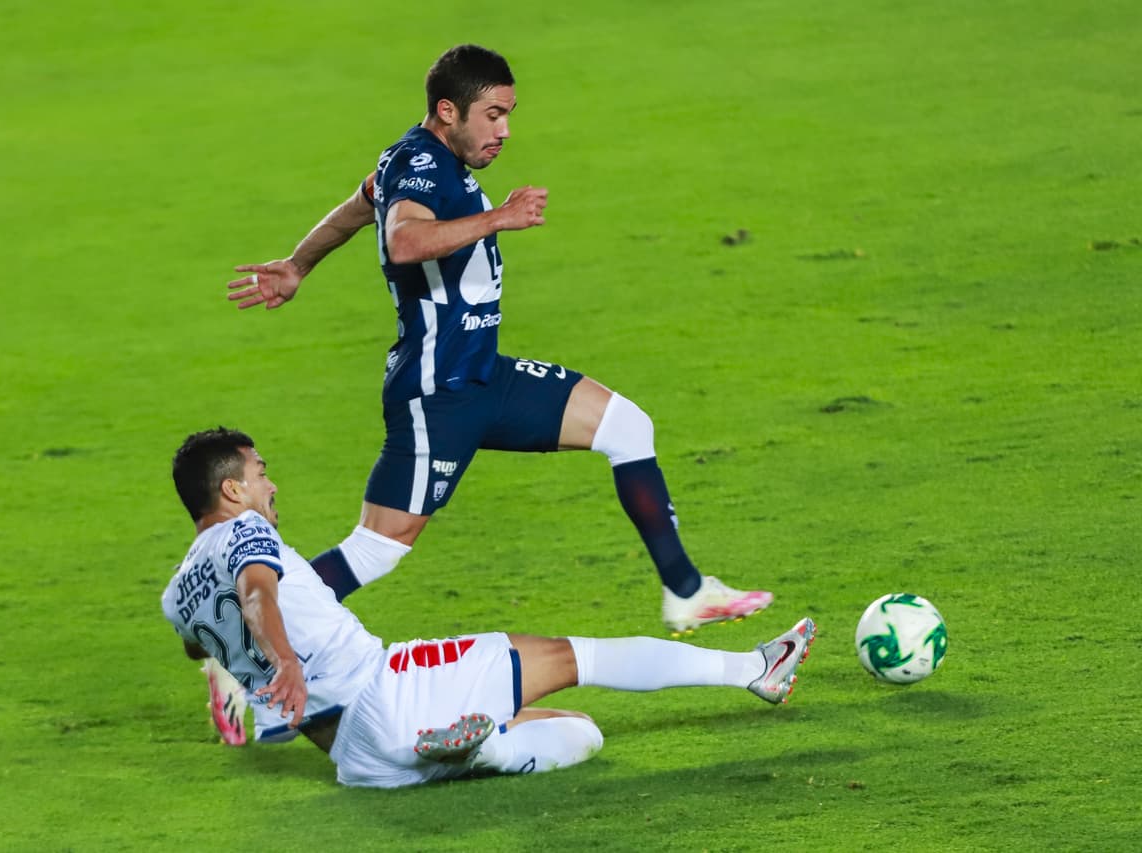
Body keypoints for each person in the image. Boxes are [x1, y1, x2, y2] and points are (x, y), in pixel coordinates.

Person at [224, 44, 771, 635]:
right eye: (492, 115)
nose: (505, 130)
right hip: (440, 391)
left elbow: (360, 206)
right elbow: (402, 241)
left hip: (486, 374)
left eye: (509, 113)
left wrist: (299, 265)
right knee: (377, 549)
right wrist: (498, 219)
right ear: (447, 111)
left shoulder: (414, 161)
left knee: (626, 425)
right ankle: (239, 638)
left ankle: (685, 592)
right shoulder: (420, 164)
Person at [162, 428, 817, 787]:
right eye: (260, 471)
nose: (270, 483)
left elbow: (203, 641)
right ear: (231, 488)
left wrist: (253, 668)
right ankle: (752, 671)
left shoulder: (176, 593)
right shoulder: (247, 531)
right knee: (574, 656)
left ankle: (482, 751)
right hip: (389, 690)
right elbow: (255, 589)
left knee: (582, 730)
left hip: (358, 764)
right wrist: (285, 660)